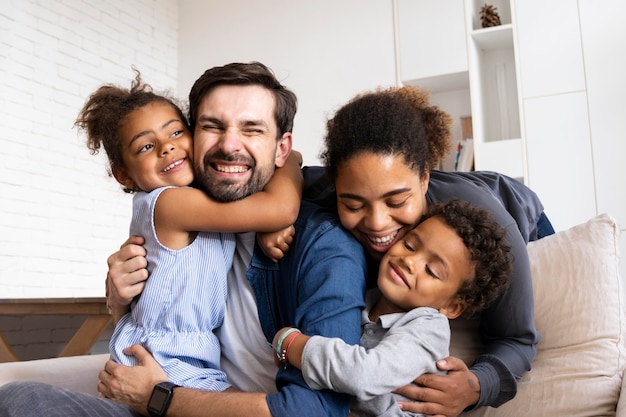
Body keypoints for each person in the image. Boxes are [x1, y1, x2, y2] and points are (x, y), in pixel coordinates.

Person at [0, 62, 367, 417]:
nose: (229, 145)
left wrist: (159, 396)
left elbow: (312, 410)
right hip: (173, 369)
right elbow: (275, 210)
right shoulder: (183, 206)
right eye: (212, 126)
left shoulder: (321, 247)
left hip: (186, 388)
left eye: (252, 129)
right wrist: (120, 300)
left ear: (280, 146)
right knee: (24, 399)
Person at [300, 85, 554, 416]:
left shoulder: (498, 228)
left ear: (423, 179)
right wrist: (277, 217)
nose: (377, 224)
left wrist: (474, 387)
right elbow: (287, 170)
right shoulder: (341, 180)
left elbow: (518, 340)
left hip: (516, 216)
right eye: (353, 203)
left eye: (396, 201)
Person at [74, 69, 302, 391]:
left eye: (176, 133)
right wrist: (290, 161)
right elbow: (280, 209)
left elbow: (257, 212)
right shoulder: (170, 204)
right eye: (145, 147)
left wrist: (266, 227)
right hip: (167, 359)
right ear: (124, 176)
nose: (166, 148)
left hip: (187, 356)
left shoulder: (203, 202)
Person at [272, 199, 513, 417]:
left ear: (451, 306)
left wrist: (290, 344)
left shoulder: (429, 329)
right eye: (409, 245)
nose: (409, 261)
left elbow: (364, 375)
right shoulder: (361, 296)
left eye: (431, 271)